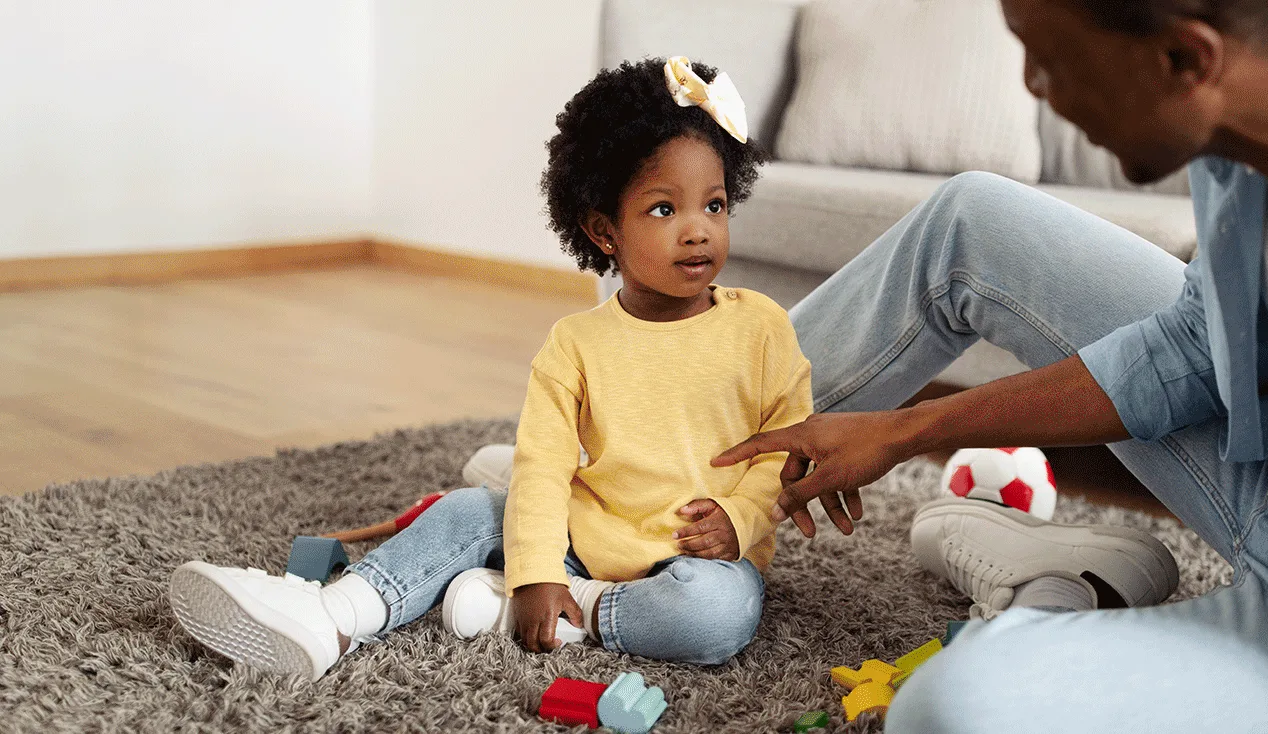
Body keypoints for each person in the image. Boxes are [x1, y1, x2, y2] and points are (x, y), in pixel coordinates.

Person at [703, 0, 1268, 729]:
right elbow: (1197, 350)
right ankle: (651, 477)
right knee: (975, 221)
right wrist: (903, 431)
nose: (1032, 85)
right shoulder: (1238, 143)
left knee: (948, 711)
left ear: (1186, 61)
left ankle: (1053, 596)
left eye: (1048, 59)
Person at [166, 57, 812, 680]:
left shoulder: (760, 327)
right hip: (582, 536)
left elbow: (786, 448)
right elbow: (542, 467)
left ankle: (569, 614)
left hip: (702, 563)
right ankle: (332, 615)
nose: (699, 231)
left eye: (716, 205)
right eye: (664, 210)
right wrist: (536, 570)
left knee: (717, 618)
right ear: (603, 230)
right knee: (465, 512)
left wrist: (740, 520)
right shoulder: (575, 344)